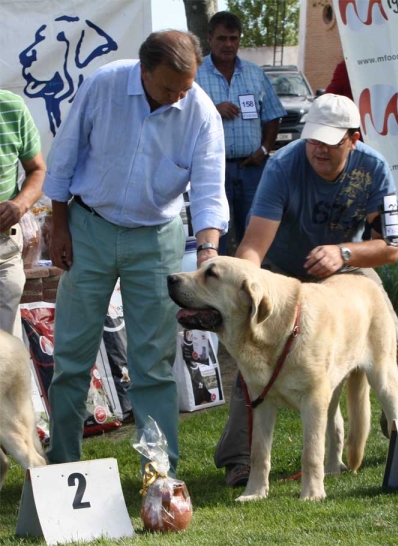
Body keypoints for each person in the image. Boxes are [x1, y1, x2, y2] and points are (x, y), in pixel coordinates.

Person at [43, 30, 228, 475]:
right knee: (71, 357)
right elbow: (65, 154)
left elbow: (208, 191)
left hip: (158, 238)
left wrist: (208, 256)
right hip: (89, 227)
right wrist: (60, 224)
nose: (177, 98)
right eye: (168, 88)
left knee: (155, 364)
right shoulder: (104, 84)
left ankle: (159, 474)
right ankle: (59, 467)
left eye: (185, 88)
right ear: (143, 71)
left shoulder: (200, 110)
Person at [216, 93, 398, 487]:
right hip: (284, 275)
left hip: (348, 270)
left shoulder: (375, 170)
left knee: (397, 349)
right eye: (313, 139)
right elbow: (254, 247)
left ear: (353, 139)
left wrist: (344, 252)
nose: (318, 150)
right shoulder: (282, 166)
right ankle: (240, 459)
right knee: (253, 358)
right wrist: (245, 291)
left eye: (330, 141)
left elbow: (391, 248)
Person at [196, 11, 286, 255]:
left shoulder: (255, 74)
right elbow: (181, 118)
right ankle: (216, 284)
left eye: (233, 38)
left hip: (251, 167)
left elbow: (272, 115)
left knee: (255, 233)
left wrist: (265, 149)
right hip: (212, 169)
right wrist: (214, 111)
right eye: (222, 38)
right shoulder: (195, 74)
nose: (228, 44)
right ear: (209, 38)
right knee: (216, 232)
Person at [0, 90, 46, 337]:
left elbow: (38, 170)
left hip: (3, 249)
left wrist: (20, 204)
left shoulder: (11, 107)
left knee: (6, 355)